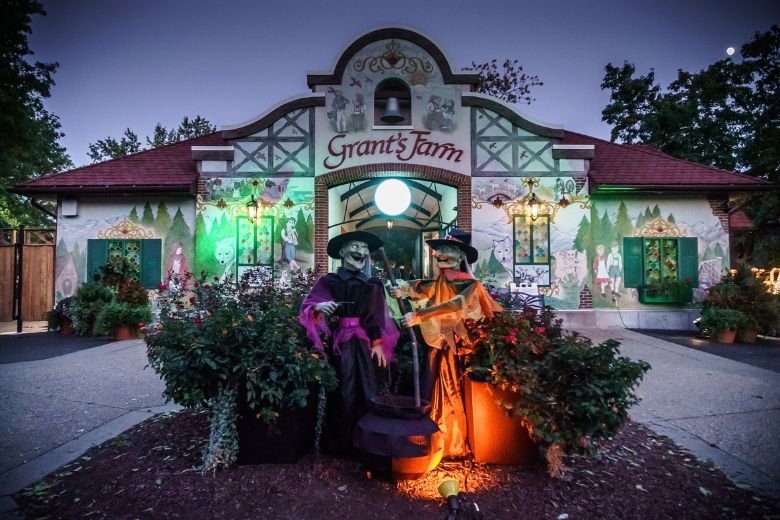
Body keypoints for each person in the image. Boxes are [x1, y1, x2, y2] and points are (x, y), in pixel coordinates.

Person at [389, 229, 503, 457]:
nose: (439, 254)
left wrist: (420, 315)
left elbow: (455, 304)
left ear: (460, 256)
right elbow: (425, 287)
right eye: (439, 250)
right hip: (439, 345)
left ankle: (451, 441)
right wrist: (402, 289)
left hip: (456, 348)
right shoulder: (442, 280)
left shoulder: (469, 284)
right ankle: (431, 434)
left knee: (450, 386)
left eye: (447, 249)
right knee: (432, 384)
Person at [299, 231, 399, 455]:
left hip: (363, 344)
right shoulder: (329, 281)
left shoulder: (372, 284)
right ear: (342, 252)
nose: (360, 251)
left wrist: (377, 342)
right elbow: (309, 304)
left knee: (367, 388)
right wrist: (319, 307)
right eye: (355, 246)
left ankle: (366, 441)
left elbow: (376, 316)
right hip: (340, 344)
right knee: (343, 391)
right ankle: (341, 444)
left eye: (364, 248)